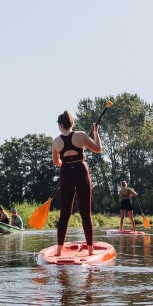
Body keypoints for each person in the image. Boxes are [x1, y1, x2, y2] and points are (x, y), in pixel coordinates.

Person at [52, 110, 102, 256]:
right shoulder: (81, 135)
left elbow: (56, 162)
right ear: (72, 123)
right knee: (85, 213)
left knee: (65, 213)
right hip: (81, 171)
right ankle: (90, 249)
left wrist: (66, 163)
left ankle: (59, 250)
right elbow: (98, 149)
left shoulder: (56, 141)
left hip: (66, 173)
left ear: (61, 125)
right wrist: (96, 132)